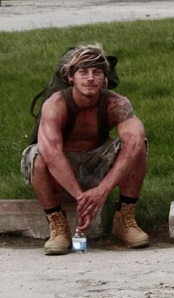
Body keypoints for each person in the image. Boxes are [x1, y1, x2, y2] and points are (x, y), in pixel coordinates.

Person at [20, 44, 149, 255]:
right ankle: (58, 224)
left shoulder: (117, 104)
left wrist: (101, 191)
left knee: (137, 145)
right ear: (71, 77)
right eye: (83, 72)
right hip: (61, 169)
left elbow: (135, 140)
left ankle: (124, 218)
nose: (90, 78)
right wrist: (82, 199)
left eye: (97, 72)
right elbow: (52, 152)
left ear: (105, 78)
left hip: (97, 162)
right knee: (37, 155)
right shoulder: (56, 104)